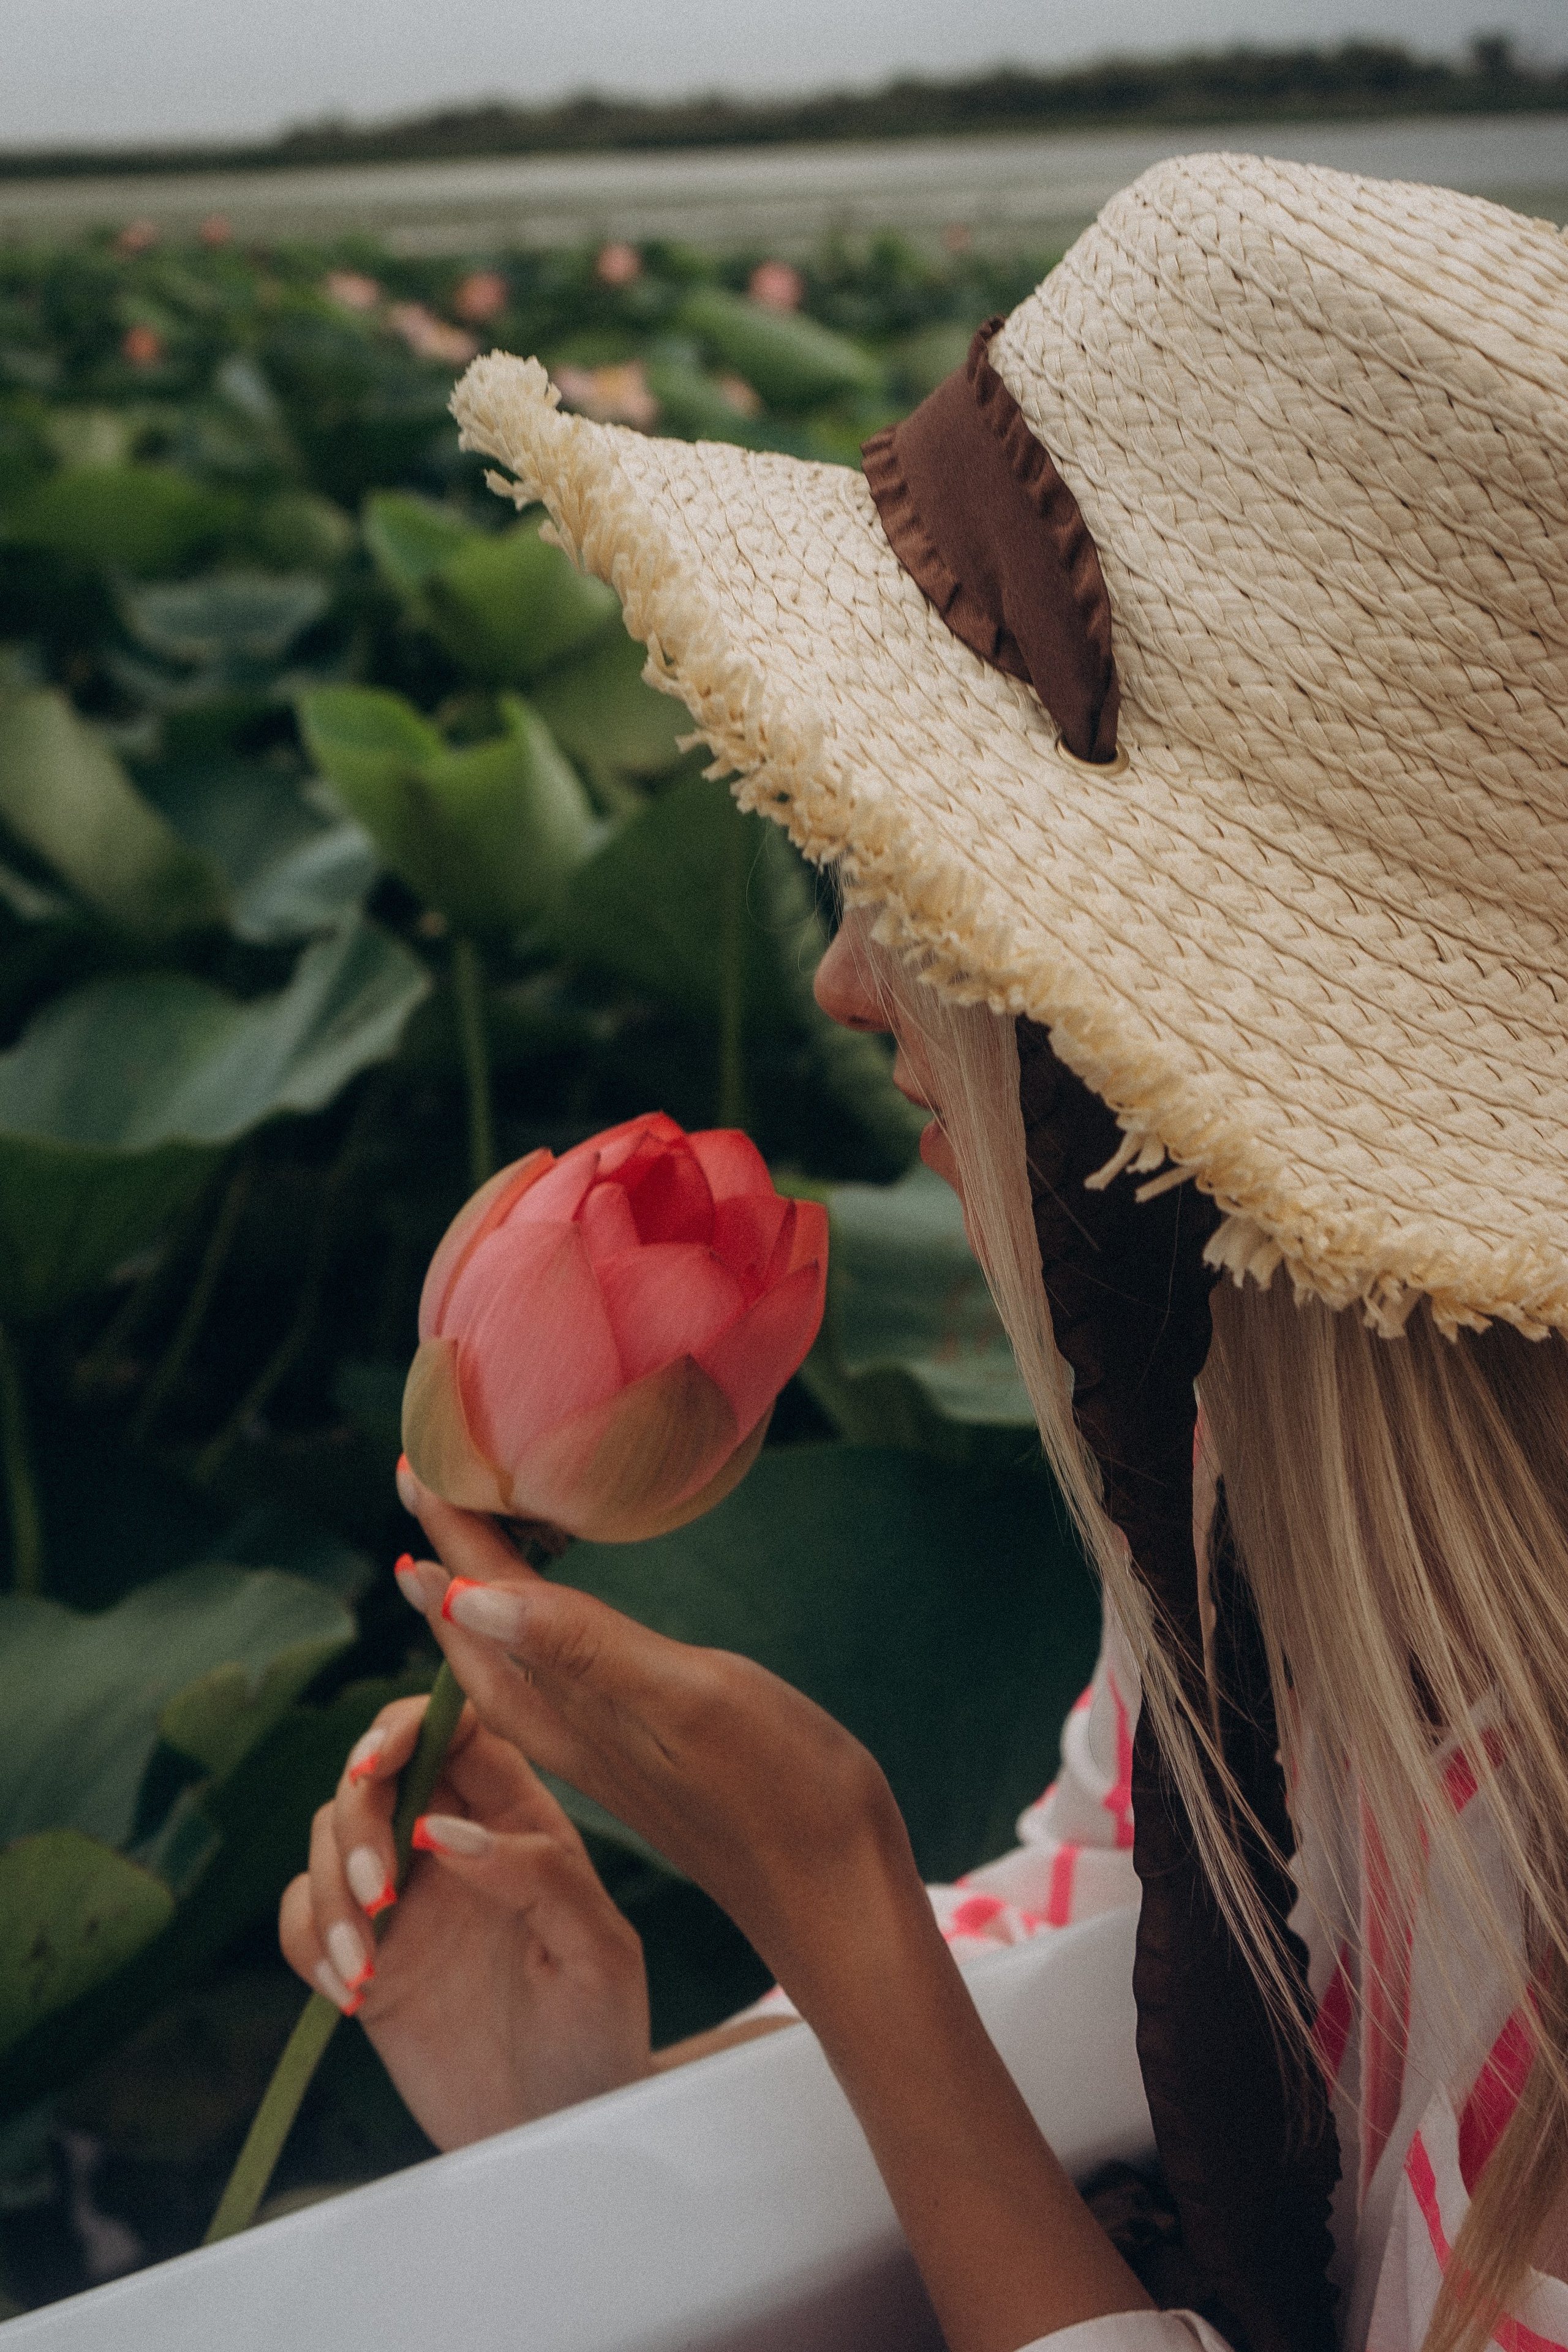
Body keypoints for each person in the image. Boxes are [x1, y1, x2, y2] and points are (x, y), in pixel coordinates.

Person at [280, 153, 1568, 2352]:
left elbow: (963, 2015)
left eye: (952, 884)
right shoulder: (1242, 1520)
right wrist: (590, 2096)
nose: (848, 980)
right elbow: (1083, 1970)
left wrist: (828, 1896)